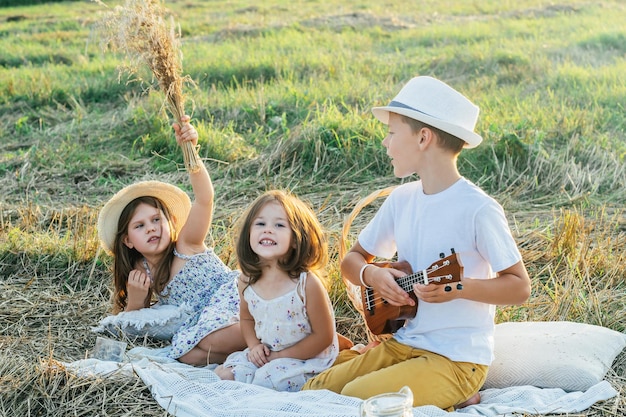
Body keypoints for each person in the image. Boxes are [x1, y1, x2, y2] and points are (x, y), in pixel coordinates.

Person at [302, 76, 531, 410]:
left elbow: (519, 287)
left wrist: (457, 287)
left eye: (392, 133)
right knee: (315, 390)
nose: (385, 142)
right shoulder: (402, 199)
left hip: (454, 358)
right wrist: (373, 275)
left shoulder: (478, 209)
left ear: (423, 137)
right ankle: (439, 397)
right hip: (403, 342)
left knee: (354, 400)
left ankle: (456, 391)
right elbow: (352, 261)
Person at [97, 116, 246, 366]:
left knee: (209, 341)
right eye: (140, 226)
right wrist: (135, 300)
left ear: (170, 222)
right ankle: (257, 354)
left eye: (156, 219)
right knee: (186, 354)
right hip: (203, 323)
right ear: (128, 241)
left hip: (233, 302)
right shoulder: (142, 272)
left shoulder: (186, 244)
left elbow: (205, 199)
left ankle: (275, 335)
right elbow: (134, 324)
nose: (151, 229)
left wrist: (192, 153)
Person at [214, 190, 339, 391]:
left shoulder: (305, 283)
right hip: (268, 352)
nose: (268, 230)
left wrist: (280, 356)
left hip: (305, 358)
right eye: (260, 224)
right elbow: (246, 319)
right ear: (249, 234)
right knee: (225, 375)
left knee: (266, 382)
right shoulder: (247, 280)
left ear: (297, 238)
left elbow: (323, 337)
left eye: (279, 225)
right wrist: (254, 346)